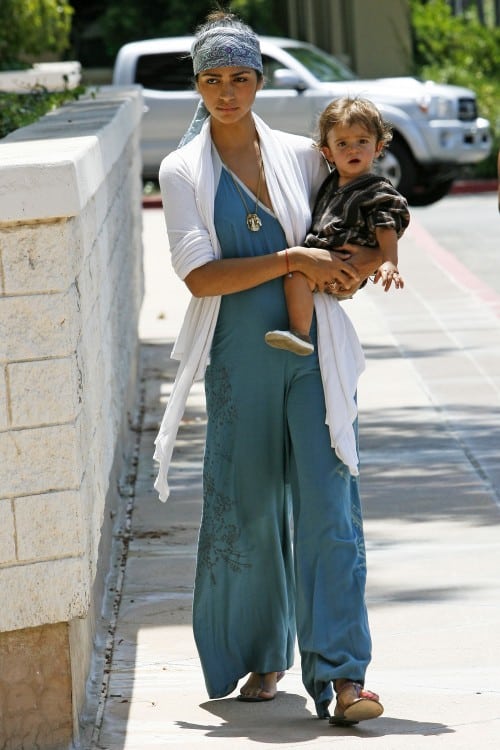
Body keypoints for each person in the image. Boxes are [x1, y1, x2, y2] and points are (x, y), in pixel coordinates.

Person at [153, 8, 385, 727]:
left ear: (260, 80)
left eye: (241, 77)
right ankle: (262, 653)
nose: (228, 92)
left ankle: (345, 678)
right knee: (247, 510)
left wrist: (361, 266)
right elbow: (200, 278)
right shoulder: (183, 169)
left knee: (329, 508)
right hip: (238, 360)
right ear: (197, 85)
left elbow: (363, 214)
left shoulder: (302, 155)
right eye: (214, 79)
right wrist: (290, 260)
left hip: (314, 353)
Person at [265, 96, 410, 356]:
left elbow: (386, 226)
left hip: (346, 261)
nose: (352, 150)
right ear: (328, 151)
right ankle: (300, 329)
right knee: (293, 278)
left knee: (295, 276)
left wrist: (389, 262)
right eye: (342, 144)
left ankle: (300, 333)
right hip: (325, 257)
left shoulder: (376, 189)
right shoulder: (329, 183)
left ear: (378, 147)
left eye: (361, 142)